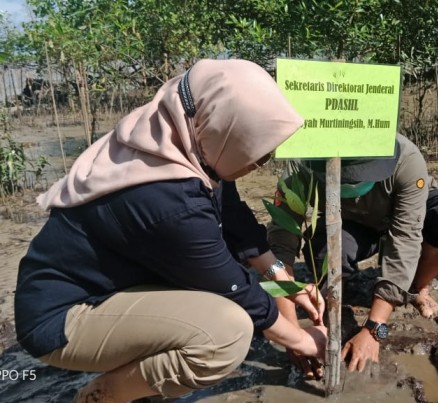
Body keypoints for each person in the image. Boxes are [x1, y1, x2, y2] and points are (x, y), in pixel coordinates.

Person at [14, 59, 327, 402]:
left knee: (222, 305)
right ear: (222, 127)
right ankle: (101, 396)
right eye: (257, 147)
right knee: (226, 332)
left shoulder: (184, 143)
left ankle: (143, 383)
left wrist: (286, 281)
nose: (261, 161)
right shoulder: (169, 198)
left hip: (112, 283)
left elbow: (236, 220)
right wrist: (302, 339)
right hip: (63, 317)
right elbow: (236, 289)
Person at [267, 133, 438, 374]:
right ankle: (335, 304)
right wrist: (290, 332)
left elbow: (406, 237)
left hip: (407, 215)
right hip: (350, 224)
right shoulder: (301, 162)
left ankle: (416, 287)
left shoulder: (405, 156)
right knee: (324, 248)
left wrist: (374, 329)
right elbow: (280, 244)